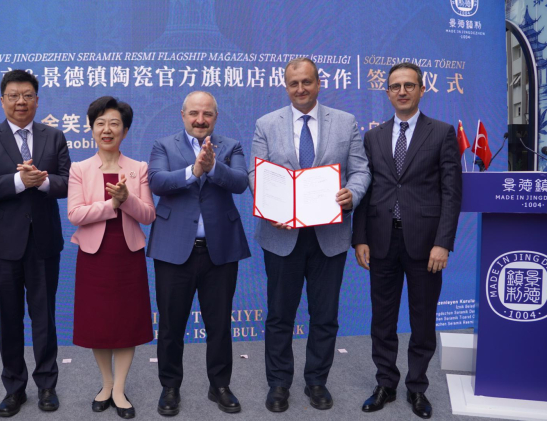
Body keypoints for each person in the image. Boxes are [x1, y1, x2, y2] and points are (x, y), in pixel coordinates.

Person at [248, 57, 371, 413]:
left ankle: (317, 381)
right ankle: (279, 383)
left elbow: (360, 170)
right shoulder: (266, 124)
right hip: (281, 235)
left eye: (306, 82)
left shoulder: (345, 122)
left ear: (318, 83)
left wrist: (352, 194)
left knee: (325, 315)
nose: (300, 89)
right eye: (293, 83)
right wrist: (270, 206)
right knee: (279, 315)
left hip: (329, 235)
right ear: (286, 87)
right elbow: (256, 175)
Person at [352, 62, 462, 420]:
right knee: (382, 319)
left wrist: (443, 242)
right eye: (395, 86)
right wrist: (360, 238)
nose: (402, 91)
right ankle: (385, 383)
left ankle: (417, 387)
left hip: (426, 244)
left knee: (423, 319)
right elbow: (365, 191)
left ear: (421, 90)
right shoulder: (373, 137)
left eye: (409, 85)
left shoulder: (442, 133)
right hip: (381, 241)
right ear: (387, 92)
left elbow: (451, 192)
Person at [0, 70, 71, 417]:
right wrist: (18, 181)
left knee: (44, 317)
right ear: (2, 101)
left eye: (27, 95)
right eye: (13, 96)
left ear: (37, 100)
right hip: (1, 245)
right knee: (8, 319)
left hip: (44, 242)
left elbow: (68, 182)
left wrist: (41, 182)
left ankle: (47, 386)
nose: (21, 102)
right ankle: (14, 388)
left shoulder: (53, 136)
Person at [147, 91, 250, 416]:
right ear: (183, 115)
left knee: (219, 325)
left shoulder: (231, 146)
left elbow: (240, 182)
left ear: (215, 117)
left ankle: (219, 385)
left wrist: (212, 166)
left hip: (220, 250)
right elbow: (157, 182)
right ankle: (170, 387)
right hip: (173, 250)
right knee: (171, 325)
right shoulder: (163, 145)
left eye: (207, 114)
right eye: (194, 113)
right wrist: (194, 170)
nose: (200, 119)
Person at [68, 96, 155, 419]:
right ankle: (106, 383)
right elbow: (75, 214)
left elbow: (148, 215)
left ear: (125, 131)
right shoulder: (79, 169)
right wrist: (112, 205)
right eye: (100, 123)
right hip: (95, 256)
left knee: (126, 322)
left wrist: (127, 199)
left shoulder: (138, 168)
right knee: (98, 323)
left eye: (114, 124)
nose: (107, 129)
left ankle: (119, 388)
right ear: (92, 129)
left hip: (127, 255)